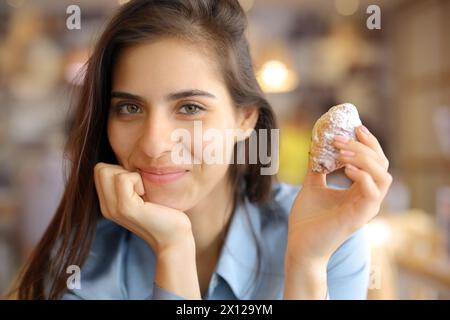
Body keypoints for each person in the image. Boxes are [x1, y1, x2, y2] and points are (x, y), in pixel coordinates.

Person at [13, 0, 392, 300]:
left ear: (244, 119)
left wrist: (307, 264)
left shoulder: (327, 236)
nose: (154, 143)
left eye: (189, 107)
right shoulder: (81, 265)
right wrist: (173, 249)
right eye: (130, 108)